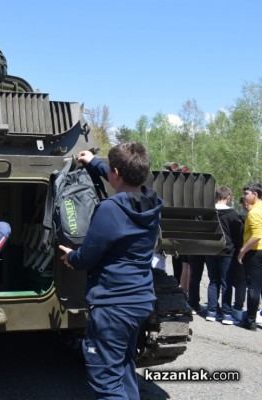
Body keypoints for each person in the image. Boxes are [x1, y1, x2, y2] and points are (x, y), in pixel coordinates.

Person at [59, 142, 163, 399]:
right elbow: (126, 181)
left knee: (106, 381)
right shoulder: (152, 202)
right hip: (139, 300)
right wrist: (95, 163)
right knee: (124, 368)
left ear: (116, 172)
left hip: (113, 305)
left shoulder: (111, 210)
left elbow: (87, 257)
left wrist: (71, 256)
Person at [204, 186, 243, 325]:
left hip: (210, 250)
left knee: (213, 281)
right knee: (226, 282)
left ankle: (211, 312)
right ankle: (226, 314)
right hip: (227, 251)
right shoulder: (233, 214)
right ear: (228, 197)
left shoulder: (208, 212)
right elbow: (237, 235)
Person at [237, 183, 262, 331]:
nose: (245, 197)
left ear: (255, 194)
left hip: (255, 252)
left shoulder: (253, 212)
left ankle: (250, 320)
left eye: (247, 193)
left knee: (254, 287)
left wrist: (242, 250)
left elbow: (257, 236)